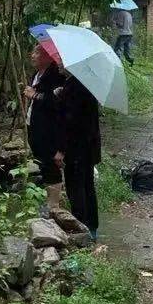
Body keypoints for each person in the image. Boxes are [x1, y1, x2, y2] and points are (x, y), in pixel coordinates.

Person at [60, 71, 101, 236]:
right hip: (89, 146)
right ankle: (92, 227)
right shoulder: (88, 82)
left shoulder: (75, 85)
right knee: (87, 186)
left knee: (76, 188)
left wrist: (59, 99)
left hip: (77, 147)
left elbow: (70, 120)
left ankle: (81, 229)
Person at [25, 42, 65, 207]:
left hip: (49, 130)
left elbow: (57, 103)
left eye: (37, 53)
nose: (33, 56)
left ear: (48, 56)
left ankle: (53, 204)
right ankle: (52, 199)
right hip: (34, 125)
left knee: (50, 165)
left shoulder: (56, 76)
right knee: (42, 161)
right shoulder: (37, 74)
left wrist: (35, 96)